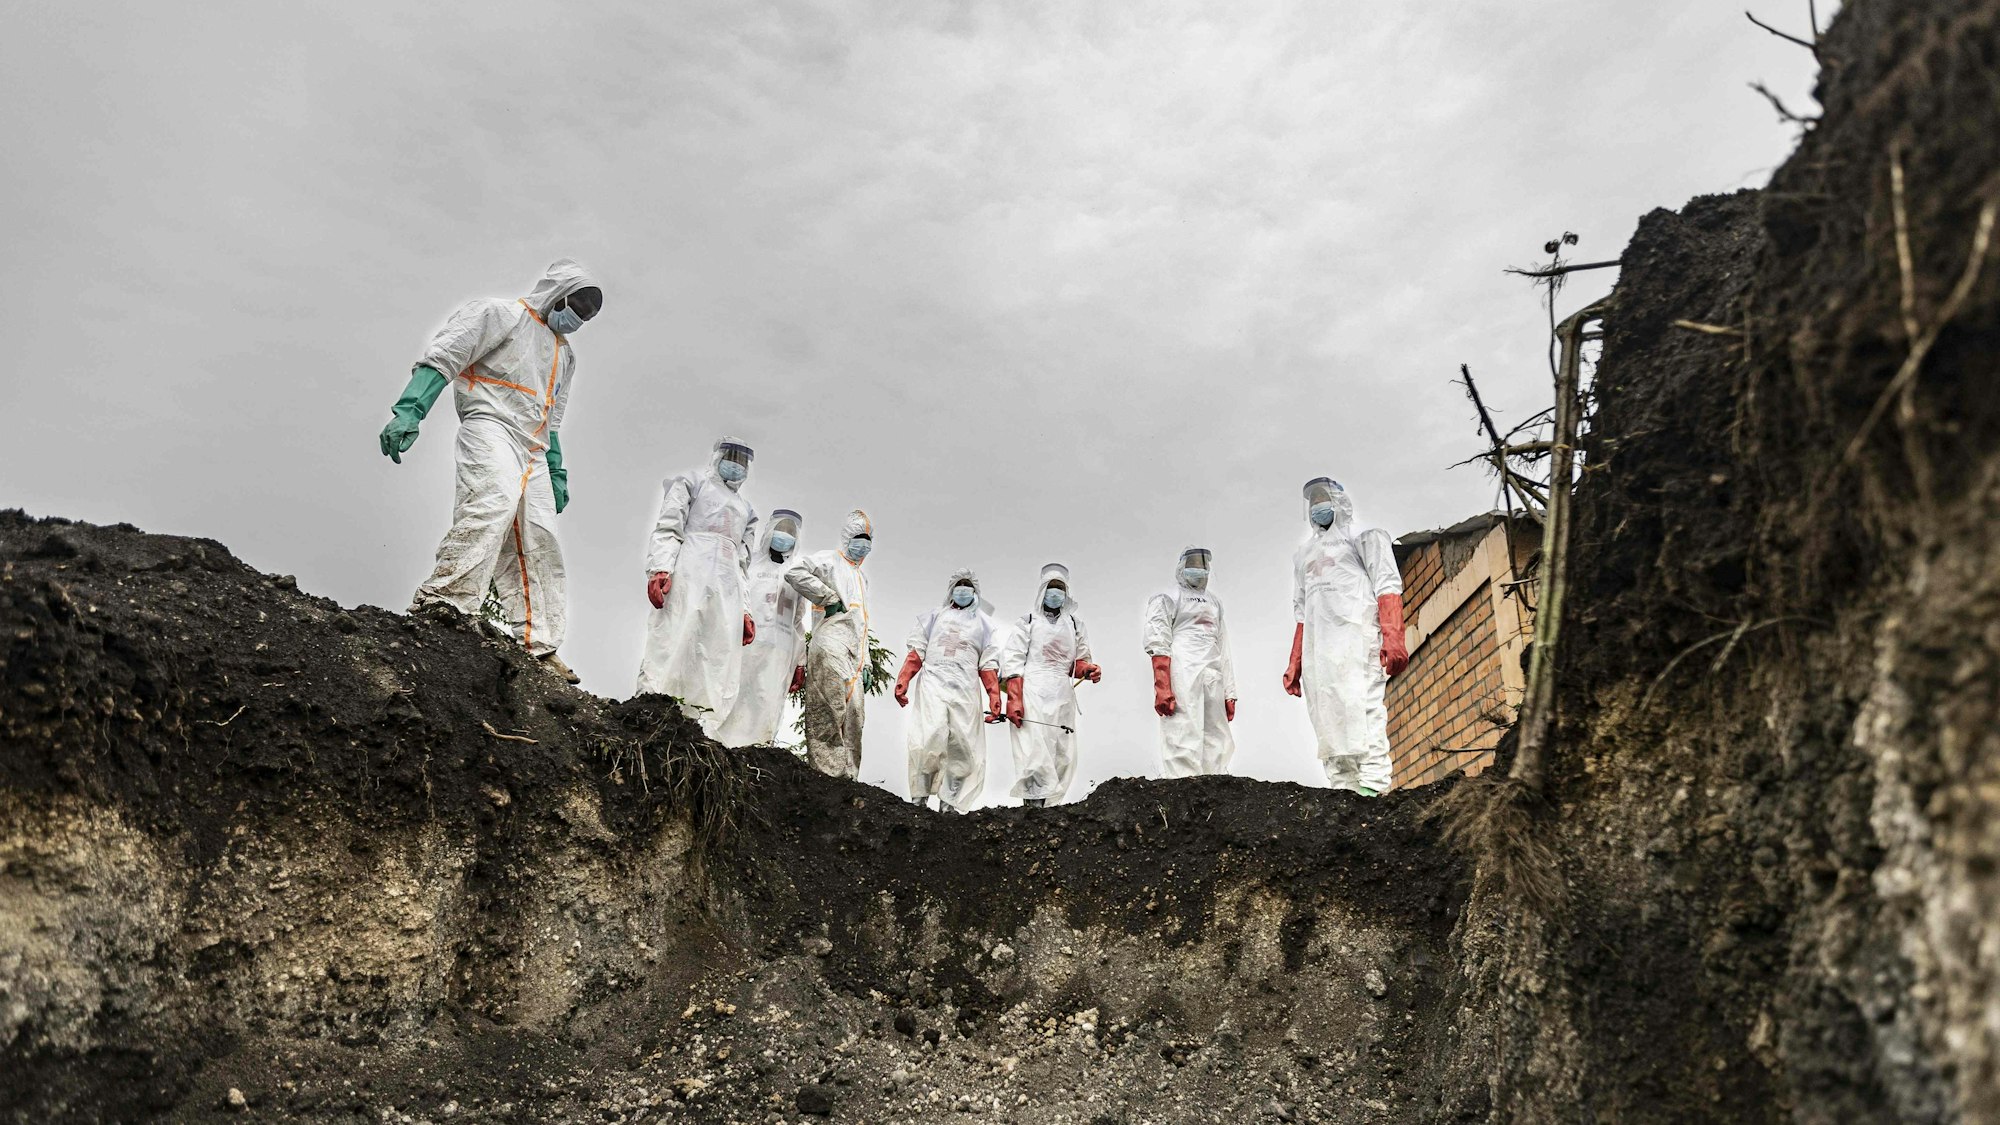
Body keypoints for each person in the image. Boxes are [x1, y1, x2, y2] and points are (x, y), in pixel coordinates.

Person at [379, 258, 602, 684]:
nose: (578, 318)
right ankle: (444, 602)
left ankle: (538, 644)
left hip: (533, 447)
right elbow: (445, 357)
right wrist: (411, 409)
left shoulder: (564, 355)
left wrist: (555, 468)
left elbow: (552, 418)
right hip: (490, 424)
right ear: (558, 292)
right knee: (492, 502)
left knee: (540, 535)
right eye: (577, 305)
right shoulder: (498, 315)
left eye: (588, 315)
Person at [1283, 477, 1408, 795]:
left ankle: (1373, 788)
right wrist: (1296, 661)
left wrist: (1393, 638)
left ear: (1340, 501)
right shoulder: (1304, 556)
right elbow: (1301, 612)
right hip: (1319, 654)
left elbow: (1387, 586)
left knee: (1363, 711)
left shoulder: (1365, 538)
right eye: (1312, 501)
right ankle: (1343, 793)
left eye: (1324, 497)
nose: (1317, 506)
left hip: (1356, 642)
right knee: (1327, 718)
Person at [636, 438, 759, 733]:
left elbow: (743, 564)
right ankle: (649, 709)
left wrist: (744, 609)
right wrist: (661, 568)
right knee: (673, 636)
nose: (736, 464)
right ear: (717, 457)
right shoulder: (692, 482)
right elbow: (668, 528)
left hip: (726, 587)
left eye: (743, 460)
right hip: (689, 572)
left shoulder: (747, 510)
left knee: (716, 653)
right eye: (731, 456)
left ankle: (701, 726)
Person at [894, 569, 1004, 812]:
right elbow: (917, 652)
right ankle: (919, 799)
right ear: (951, 590)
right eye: (959, 585)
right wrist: (904, 680)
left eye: (968, 586)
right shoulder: (933, 618)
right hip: (934, 684)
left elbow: (988, 663)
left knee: (962, 747)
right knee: (928, 737)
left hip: (965, 690)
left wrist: (994, 695)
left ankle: (949, 803)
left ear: (975, 592)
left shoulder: (985, 624)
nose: (963, 590)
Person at [999, 563, 1100, 807]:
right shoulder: (1028, 622)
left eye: (1060, 589)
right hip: (1033, 691)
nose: (1056, 594)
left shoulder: (1075, 624)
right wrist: (1013, 699)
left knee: (1062, 752)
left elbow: (1077, 663)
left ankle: (1052, 810)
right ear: (1043, 591)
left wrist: (1088, 670)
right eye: (1051, 588)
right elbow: (1013, 661)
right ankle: (1033, 808)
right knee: (1035, 750)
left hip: (1062, 695)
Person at [784, 510, 874, 778]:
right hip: (830, 641)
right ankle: (827, 776)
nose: (864, 543)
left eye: (868, 539)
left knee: (855, 715)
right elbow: (794, 572)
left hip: (854, 654)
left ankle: (849, 778)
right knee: (829, 707)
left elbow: (862, 624)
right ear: (847, 537)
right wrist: (826, 596)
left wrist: (866, 661)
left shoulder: (862, 578)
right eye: (859, 537)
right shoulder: (827, 560)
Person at [711, 508, 810, 748]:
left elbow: (798, 621)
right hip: (745, 643)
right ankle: (718, 744)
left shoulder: (797, 573)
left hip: (779, 651)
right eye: (781, 529)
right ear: (769, 530)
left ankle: (759, 748)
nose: (784, 536)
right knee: (733, 693)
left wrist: (800, 661)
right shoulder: (751, 563)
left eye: (790, 532)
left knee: (767, 699)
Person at [1144, 546, 1238, 777]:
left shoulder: (1214, 603)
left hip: (1212, 672)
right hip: (1183, 669)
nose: (1198, 569)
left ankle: (1214, 782)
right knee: (1183, 727)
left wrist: (1230, 691)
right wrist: (1162, 684)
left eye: (1202, 565)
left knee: (1215, 731)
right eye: (1193, 564)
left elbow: (1223, 646)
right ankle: (1182, 785)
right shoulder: (1168, 598)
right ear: (1181, 567)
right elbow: (1158, 640)